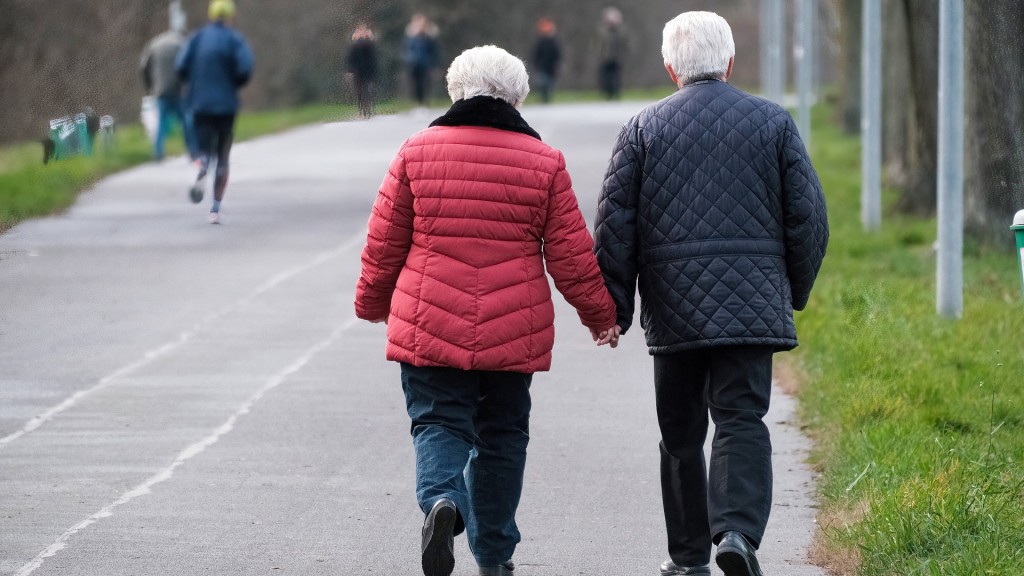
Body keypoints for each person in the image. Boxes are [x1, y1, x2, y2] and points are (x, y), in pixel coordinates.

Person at [354, 45, 619, 576]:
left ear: (454, 91)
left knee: (437, 422)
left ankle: (441, 502)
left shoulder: (415, 152)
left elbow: (384, 242)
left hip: (430, 320)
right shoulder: (544, 162)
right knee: (502, 439)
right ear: (518, 98)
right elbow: (569, 251)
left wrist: (373, 303)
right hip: (511, 330)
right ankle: (495, 558)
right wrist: (600, 315)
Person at [593, 11, 828, 576]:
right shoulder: (773, 124)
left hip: (674, 312)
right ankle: (738, 535)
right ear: (728, 64)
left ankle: (689, 557)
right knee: (741, 418)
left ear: (671, 68)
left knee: (680, 434)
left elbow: (614, 227)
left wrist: (615, 310)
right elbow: (809, 219)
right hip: (751, 305)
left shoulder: (643, 129)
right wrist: (789, 290)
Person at [175, 0, 254, 224]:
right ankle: (215, 209)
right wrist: (234, 82)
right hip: (226, 104)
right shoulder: (235, 40)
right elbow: (245, 68)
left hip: (200, 102)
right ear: (231, 16)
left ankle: (203, 164)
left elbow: (180, 66)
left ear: (210, 15)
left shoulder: (196, 38)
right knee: (224, 155)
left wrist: (195, 81)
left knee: (204, 148)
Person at [139, 12, 196, 161]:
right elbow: (189, 66)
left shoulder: (154, 44)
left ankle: (158, 153)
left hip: (160, 89)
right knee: (186, 121)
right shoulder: (181, 44)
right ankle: (193, 151)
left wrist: (149, 87)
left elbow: (144, 66)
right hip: (179, 90)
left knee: (162, 123)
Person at [402, 13, 440, 107]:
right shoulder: (410, 36)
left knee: (426, 83)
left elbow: (434, 51)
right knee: (416, 83)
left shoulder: (429, 36)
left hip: (426, 63)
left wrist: (435, 64)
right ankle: (419, 102)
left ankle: (425, 102)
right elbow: (406, 49)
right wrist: (410, 58)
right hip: (414, 63)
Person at [346, 23, 379, 119]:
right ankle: (362, 110)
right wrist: (349, 71)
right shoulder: (354, 44)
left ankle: (368, 109)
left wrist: (370, 38)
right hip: (358, 70)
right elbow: (350, 58)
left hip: (369, 69)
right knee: (359, 91)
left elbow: (373, 48)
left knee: (368, 89)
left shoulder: (368, 43)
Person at [595, 7, 627, 100]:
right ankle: (606, 94)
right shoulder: (602, 30)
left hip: (617, 57)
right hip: (605, 58)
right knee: (605, 78)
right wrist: (599, 55)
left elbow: (624, 44)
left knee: (616, 77)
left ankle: (615, 94)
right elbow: (598, 44)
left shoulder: (621, 31)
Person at [531, 18, 561, 104]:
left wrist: (557, 64)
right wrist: (535, 64)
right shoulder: (540, 42)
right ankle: (543, 98)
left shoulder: (554, 42)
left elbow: (558, 55)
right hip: (542, 66)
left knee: (549, 83)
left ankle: (547, 98)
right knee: (543, 83)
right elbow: (536, 54)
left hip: (551, 67)